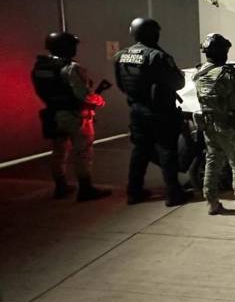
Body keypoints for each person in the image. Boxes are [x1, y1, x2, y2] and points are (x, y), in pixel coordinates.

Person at [113, 18, 187, 206]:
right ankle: (173, 193)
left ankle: (134, 191)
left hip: (137, 110)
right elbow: (178, 82)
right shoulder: (157, 56)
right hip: (160, 112)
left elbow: (121, 85)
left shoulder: (121, 56)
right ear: (153, 33)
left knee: (140, 151)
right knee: (167, 151)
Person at [31, 32, 112, 201]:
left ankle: (60, 186)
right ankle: (85, 189)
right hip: (75, 115)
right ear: (65, 47)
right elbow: (83, 94)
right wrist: (99, 100)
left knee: (58, 151)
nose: (74, 48)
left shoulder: (41, 67)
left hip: (53, 114)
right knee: (82, 151)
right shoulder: (71, 67)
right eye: (72, 45)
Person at [194, 33, 235, 217]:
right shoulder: (229, 75)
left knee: (212, 163)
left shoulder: (200, 74)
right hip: (231, 127)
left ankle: (211, 202)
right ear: (223, 52)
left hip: (210, 126)